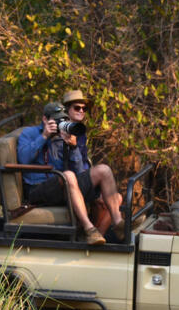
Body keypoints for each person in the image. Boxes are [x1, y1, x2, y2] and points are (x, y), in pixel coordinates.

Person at [15, 102, 120, 246]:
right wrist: (44, 136)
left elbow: (80, 172)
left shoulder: (63, 135)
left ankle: (118, 222)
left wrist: (73, 146)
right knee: (68, 176)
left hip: (63, 186)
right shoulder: (29, 133)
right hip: (37, 189)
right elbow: (23, 159)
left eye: (63, 120)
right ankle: (89, 229)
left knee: (104, 170)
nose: (60, 124)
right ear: (45, 119)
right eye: (57, 120)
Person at [60, 89, 125, 239]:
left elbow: (83, 164)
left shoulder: (79, 132)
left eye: (84, 108)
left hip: (81, 179)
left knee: (117, 198)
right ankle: (99, 230)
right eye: (77, 108)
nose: (81, 111)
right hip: (67, 182)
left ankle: (97, 237)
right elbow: (73, 170)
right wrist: (74, 147)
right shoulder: (61, 131)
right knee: (103, 170)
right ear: (67, 110)